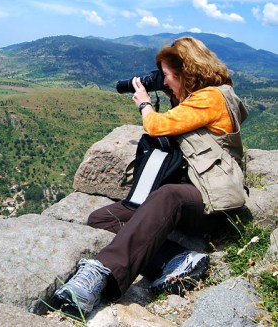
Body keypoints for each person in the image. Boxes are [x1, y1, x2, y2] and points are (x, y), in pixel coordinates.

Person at [54, 36, 249, 314]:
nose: (164, 81)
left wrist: (145, 103)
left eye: (167, 75)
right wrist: (174, 94)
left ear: (187, 72)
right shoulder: (196, 99)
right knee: (102, 218)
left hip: (210, 200)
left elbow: (158, 126)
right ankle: (179, 259)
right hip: (187, 195)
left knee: (167, 195)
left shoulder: (212, 97)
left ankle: (101, 276)